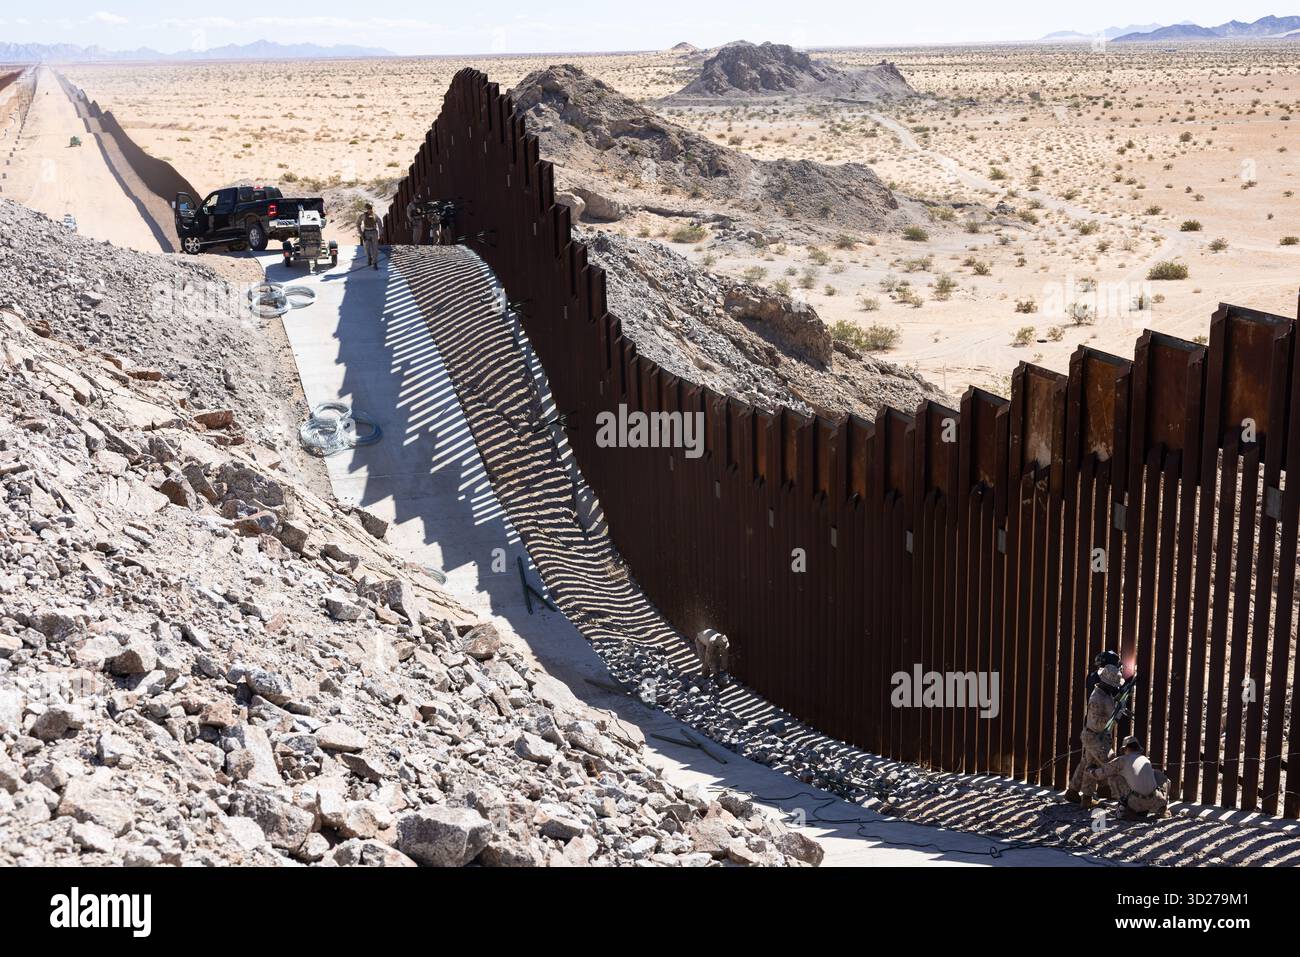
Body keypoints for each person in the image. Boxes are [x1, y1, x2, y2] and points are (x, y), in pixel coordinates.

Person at [1065, 662, 1125, 808]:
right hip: (1095, 737)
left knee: (1088, 764)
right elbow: (1096, 723)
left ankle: (1077, 793)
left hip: (1097, 737)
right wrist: (1115, 716)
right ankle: (1123, 799)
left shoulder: (1105, 694)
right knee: (1111, 765)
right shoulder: (1096, 698)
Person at [1091, 735, 1171, 819]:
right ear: (1137, 748)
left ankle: (1127, 809)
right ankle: (1163, 809)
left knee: (1114, 777)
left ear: (1125, 749)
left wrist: (1090, 770)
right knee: (1159, 775)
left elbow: (1100, 774)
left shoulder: (1122, 760)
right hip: (1155, 801)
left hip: (1136, 803)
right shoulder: (1145, 759)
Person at [358, 203, 379, 270]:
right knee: (367, 248)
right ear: (367, 209)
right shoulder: (363, 216)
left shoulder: (375, 216)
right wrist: (361, 233)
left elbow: (379, 223)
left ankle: (375, 262)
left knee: (375, 248)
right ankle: (369, 257)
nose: (369, 210)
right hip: (366, 232)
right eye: (368, 209)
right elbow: (358, 223)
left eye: (370, 209)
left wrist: (381, 232)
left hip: (374, 232)